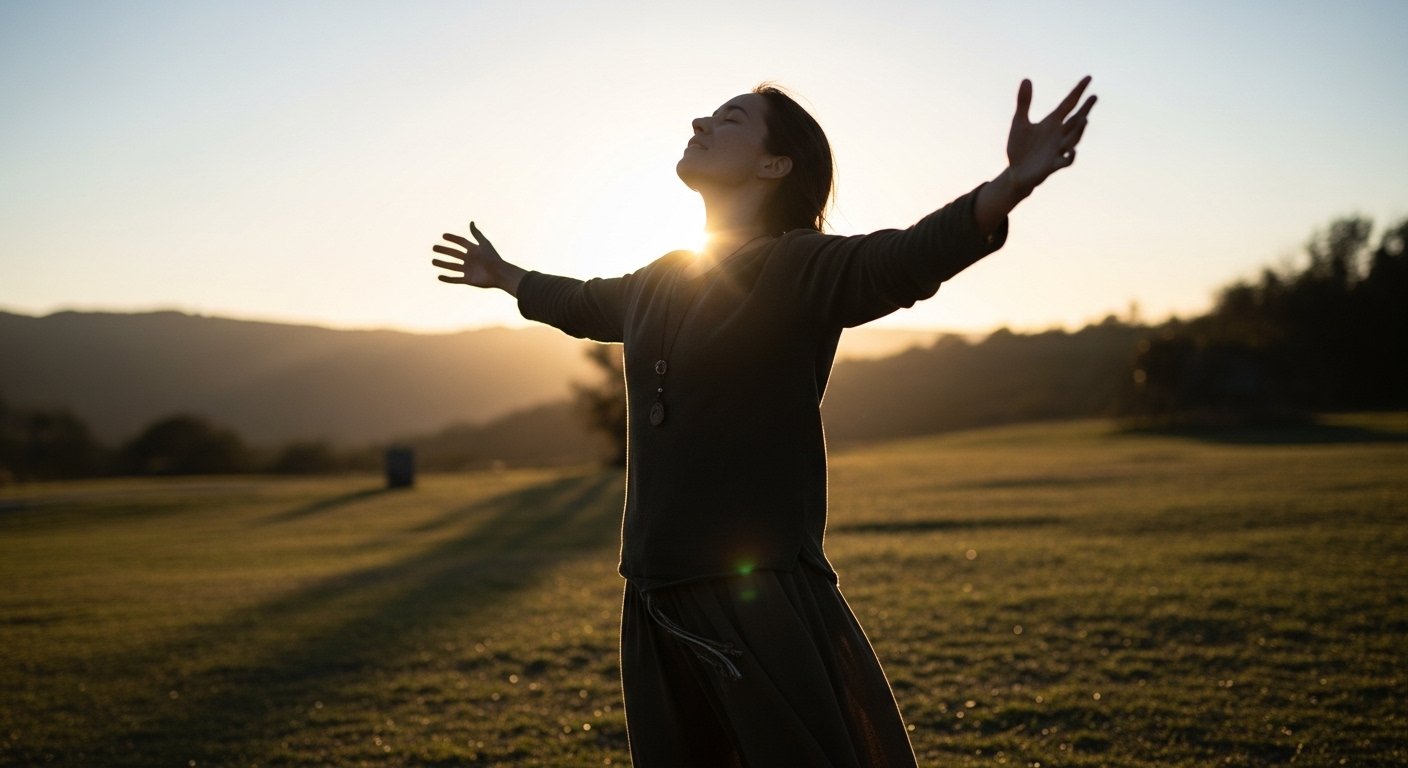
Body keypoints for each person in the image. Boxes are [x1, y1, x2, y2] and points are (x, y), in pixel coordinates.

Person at [432, 77, 1096, 767]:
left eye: (731, 119)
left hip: (755, 596)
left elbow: (902, 259)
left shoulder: (796, 265)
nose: (701, 121)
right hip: (655, 591)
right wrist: (506, 275)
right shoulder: (662, 277)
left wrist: (1010, 184)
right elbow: (583, 303)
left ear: (774, 165)